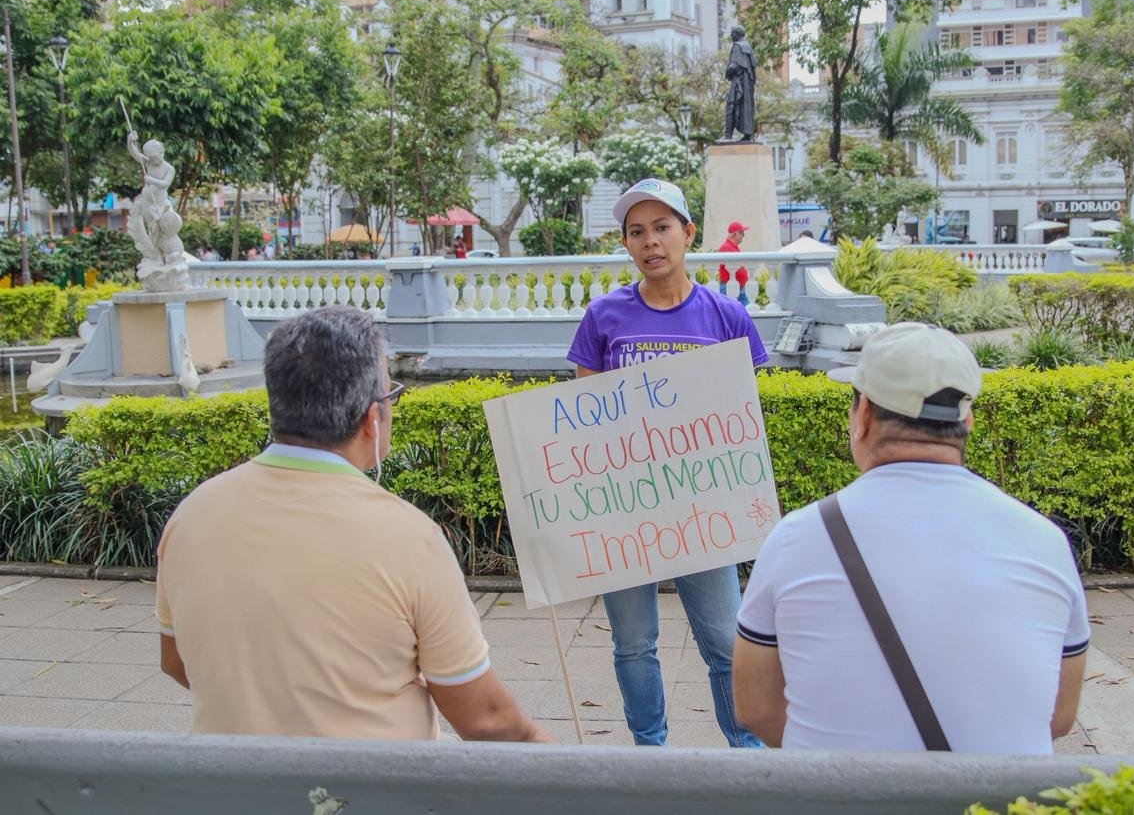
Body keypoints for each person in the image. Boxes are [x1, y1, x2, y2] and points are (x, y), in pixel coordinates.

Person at [156, 306, 551, 744]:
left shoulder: (191, 516)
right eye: (389, 395)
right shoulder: (410, 540)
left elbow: (176, 662)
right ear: (371, 418)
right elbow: (486, 721)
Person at [733, 323, 1089, 753]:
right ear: (967, 420)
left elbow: (755, 708)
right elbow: (1059, 715)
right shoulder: (1045, 542)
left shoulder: (798, 539)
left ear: (862, 415)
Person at [567, 178, 769, 748]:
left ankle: (747, 753)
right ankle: (649, 754)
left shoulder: (727, 317)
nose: (651, 242)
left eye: (661, 228)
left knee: (728, 643)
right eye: (637, 232)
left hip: (701, 511)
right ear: (627, 244)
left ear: (687, 233)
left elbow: (740, 421)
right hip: (624, 512)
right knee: (633, 644)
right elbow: (582, 419)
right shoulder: (603, 317)